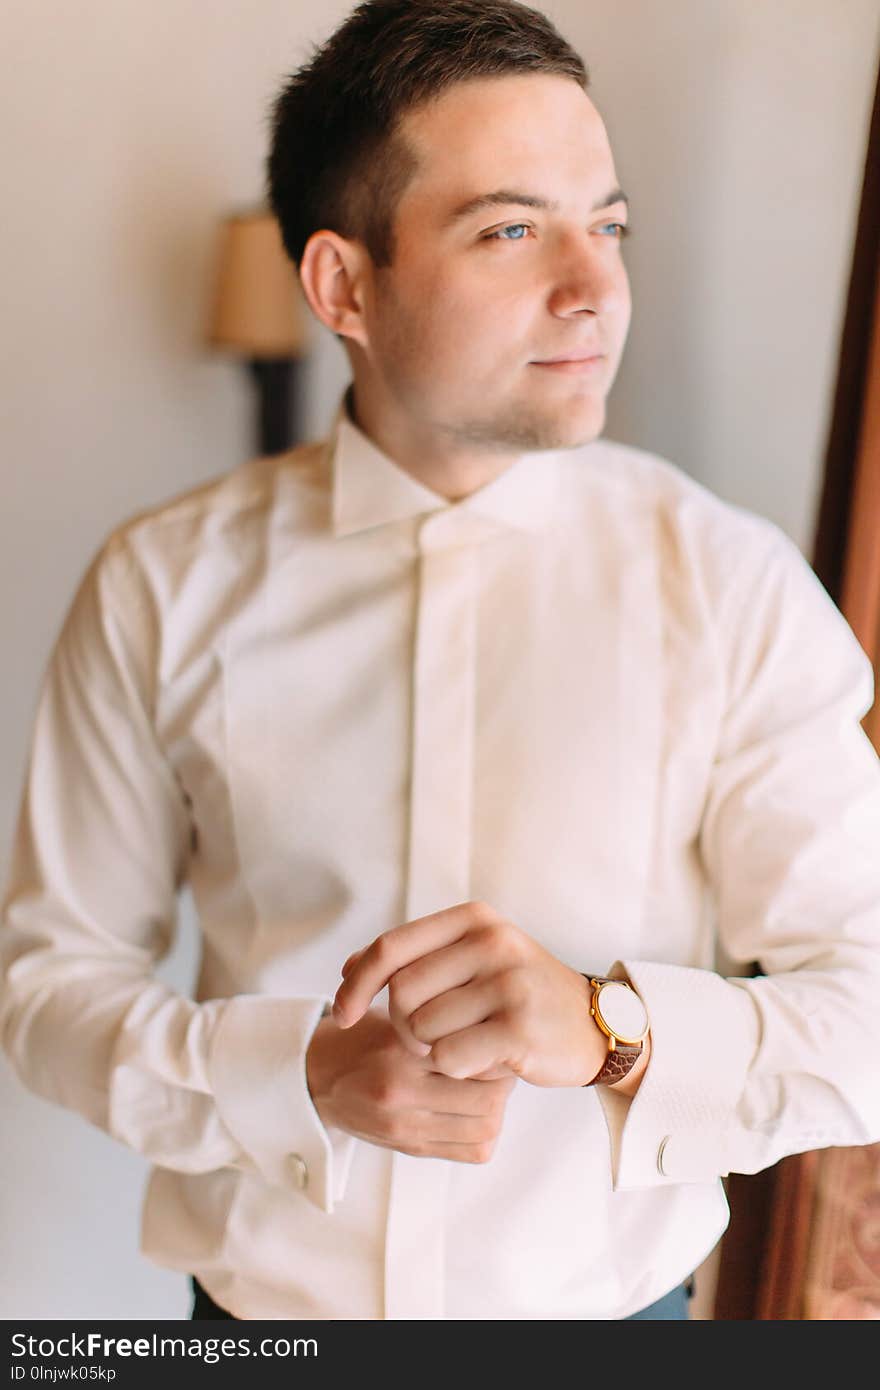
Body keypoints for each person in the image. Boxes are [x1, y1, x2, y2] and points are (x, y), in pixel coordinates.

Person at [2, 0, 880, 1324]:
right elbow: (47, 988)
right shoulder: (159, 587)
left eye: (611, 223)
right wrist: (286, 1071)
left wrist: (610, 1028)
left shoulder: (734, 590)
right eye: (513, 228)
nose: (596, 284)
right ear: (345, 286)